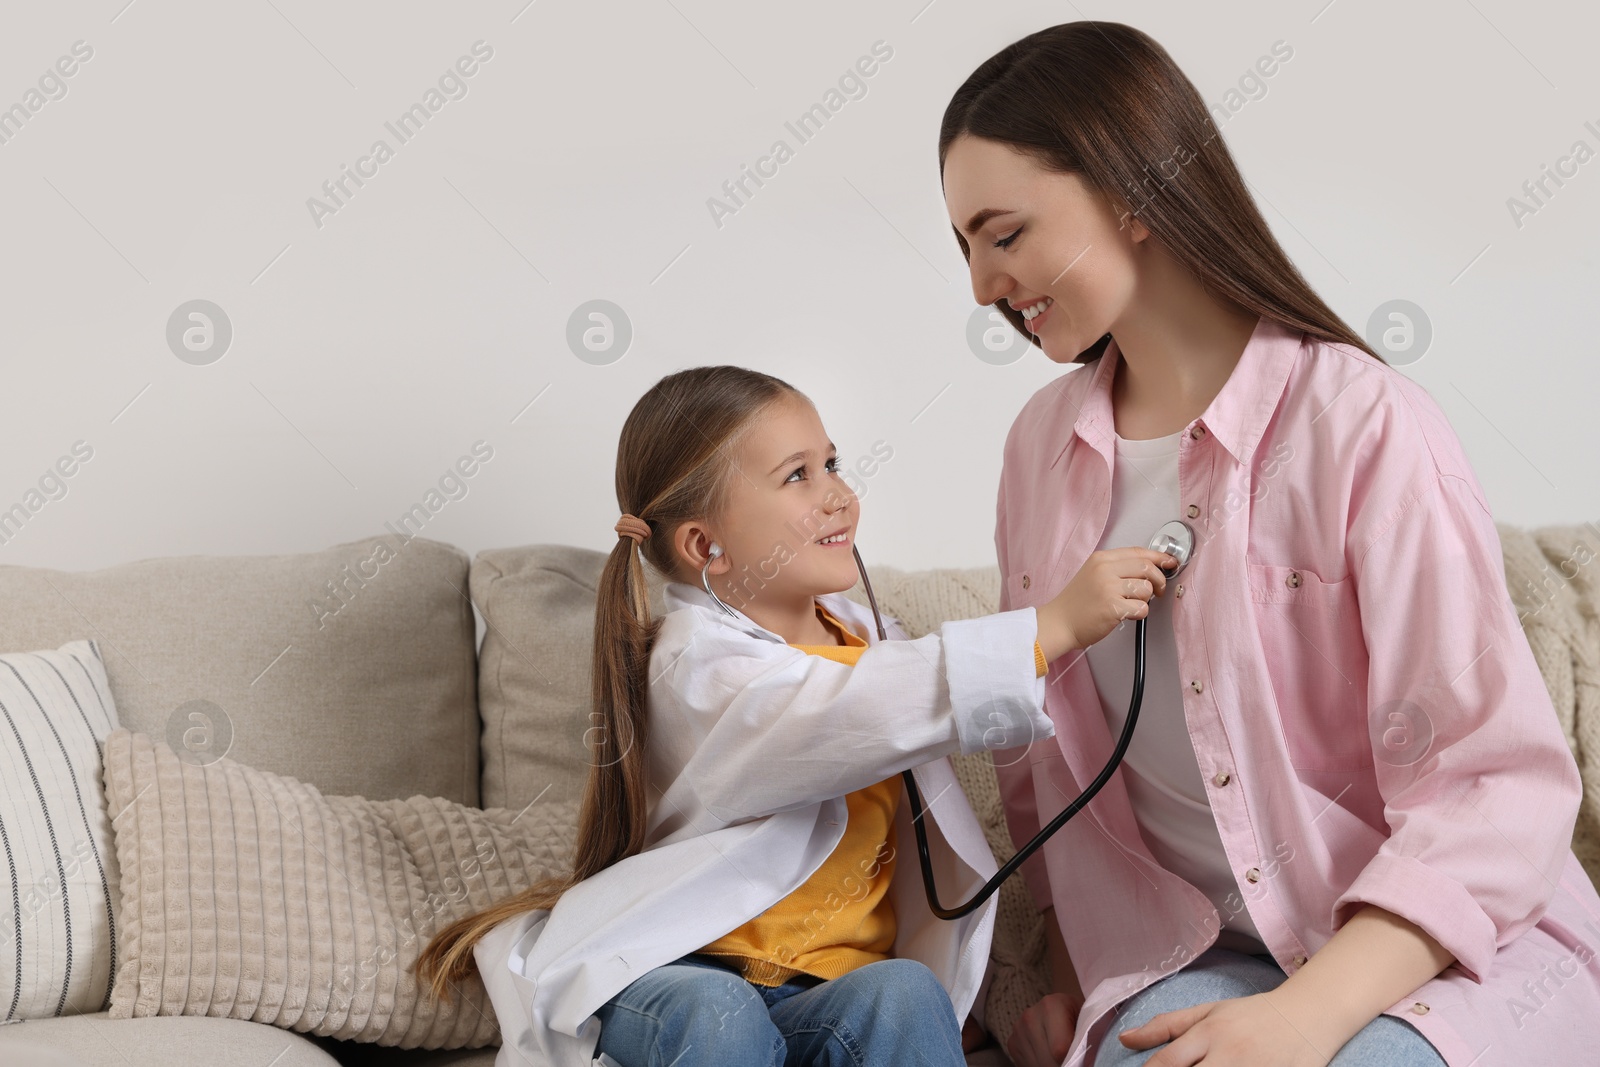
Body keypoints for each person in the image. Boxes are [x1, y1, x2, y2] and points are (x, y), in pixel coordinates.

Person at [938, 20, 1600, 1067]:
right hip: (1192, 953)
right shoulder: (1038, 449)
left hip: (1432, 953)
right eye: (964, 244)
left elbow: (1498, 784)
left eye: (1003, 233)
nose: (979, 284)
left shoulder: (1361, 421)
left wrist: (1306, 1014)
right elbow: (1045, 762)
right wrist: (1068, 982)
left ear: (1129, 192)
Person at [410, 365, 1177, 1066]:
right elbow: (834, 716)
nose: (838, 493)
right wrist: (1049, 626)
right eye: (797, 476)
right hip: (679, 973)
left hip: (824, 991)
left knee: (907, 993)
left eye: (833, 463)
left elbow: (926, 732)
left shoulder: (873, 639)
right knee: (718, 1014)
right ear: (706, 544)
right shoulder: (695, 666)